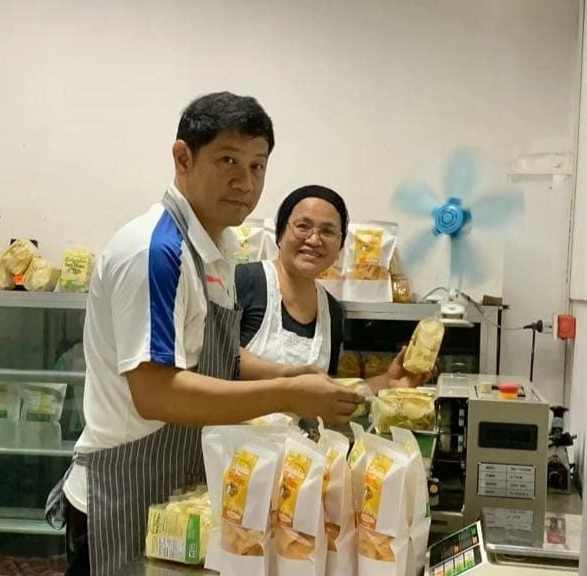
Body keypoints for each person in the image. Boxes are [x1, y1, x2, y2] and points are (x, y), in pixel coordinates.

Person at [44, 93, 364, 576]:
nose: (245, 181)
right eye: (228, 160)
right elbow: (156, 392)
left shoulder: (216, 248)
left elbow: (212, 358)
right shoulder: (155, 251)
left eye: (258, 166)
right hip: (125, 489)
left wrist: (287, 372)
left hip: (175, 488)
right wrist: (287, 393)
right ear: (182, 157)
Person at [236, 185, 430, 393]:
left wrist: (387, 382)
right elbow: (218, 356)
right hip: (233, 424)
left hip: (299, 427)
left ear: (339, 248)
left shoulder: (332, 312)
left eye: (328, 231)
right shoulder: (246, 280)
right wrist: (292, 376)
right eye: (303, 226)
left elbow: (324, 391)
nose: (314, 239)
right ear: (280, 234)